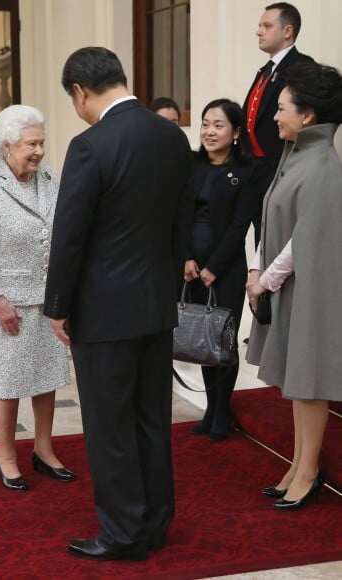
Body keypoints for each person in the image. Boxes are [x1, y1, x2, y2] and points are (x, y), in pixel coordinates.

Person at [44, 47, 193, 561]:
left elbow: (70, 237)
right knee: (151, 417)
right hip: (155, 303)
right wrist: (167, 284)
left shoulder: (90, 145)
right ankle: (154, 520)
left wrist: (57, 305)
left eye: (73, 100)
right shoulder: (171, 136)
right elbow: (182, 222)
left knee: (109, 427)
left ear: (80, 91)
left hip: (104, 311)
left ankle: (123, 534)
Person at [0, 104, 75, 493]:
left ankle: (44, 449)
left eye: (41, 142)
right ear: (7, 145)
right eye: (31, 144)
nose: (39, 150)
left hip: (48, 299)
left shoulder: (48, 177)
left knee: (47, 376)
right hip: (7, 302)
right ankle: (6, 456)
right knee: (8, 382)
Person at [246, 61, 342, 510]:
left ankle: (308, 470)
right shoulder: (296, 155)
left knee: (309, 381)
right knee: (297, 383)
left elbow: (305, 238)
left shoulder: (321, 163)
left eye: (281, 108)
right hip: (291, 285)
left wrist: (265, 280)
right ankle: (299, 464)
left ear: (307, 116)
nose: (275, 116)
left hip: (310, 287)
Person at [184, 99, 263, 441]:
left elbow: (239, 225)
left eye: (218, 125)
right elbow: (178, 217)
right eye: (205, 124)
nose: (209, 131)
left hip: (226, 268)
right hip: (190, 267)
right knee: (201, 338)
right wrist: (185, 259)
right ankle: (210, 407)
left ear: (234, 133)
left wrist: (215, 266)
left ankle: (221, 410)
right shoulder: (190, 165)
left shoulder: (247, 171)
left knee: (222, 339)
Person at [243, 2, 313, 245]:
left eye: (266, 25)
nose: (258, 31)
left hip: (282, 168)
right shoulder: (265, 69)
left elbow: (308, 120)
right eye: (260, 25)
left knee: (278, 241)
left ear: (287, 31)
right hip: (255, 170)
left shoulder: (302, 67)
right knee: (260, 241)